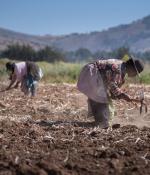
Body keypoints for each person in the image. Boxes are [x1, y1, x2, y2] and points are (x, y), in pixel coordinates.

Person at [77, 57, 144, 129]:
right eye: (136, 72)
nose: (135, 75)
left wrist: (127, 97)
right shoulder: (118, 69)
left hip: (93, 74)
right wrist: (126, 97)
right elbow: (113, 86)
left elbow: (113, 93)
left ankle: (101, 122)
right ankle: (102, 123)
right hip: (91, 73)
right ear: (132, 68)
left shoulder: (121, 68)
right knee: (101, 98)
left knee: (102, 97)